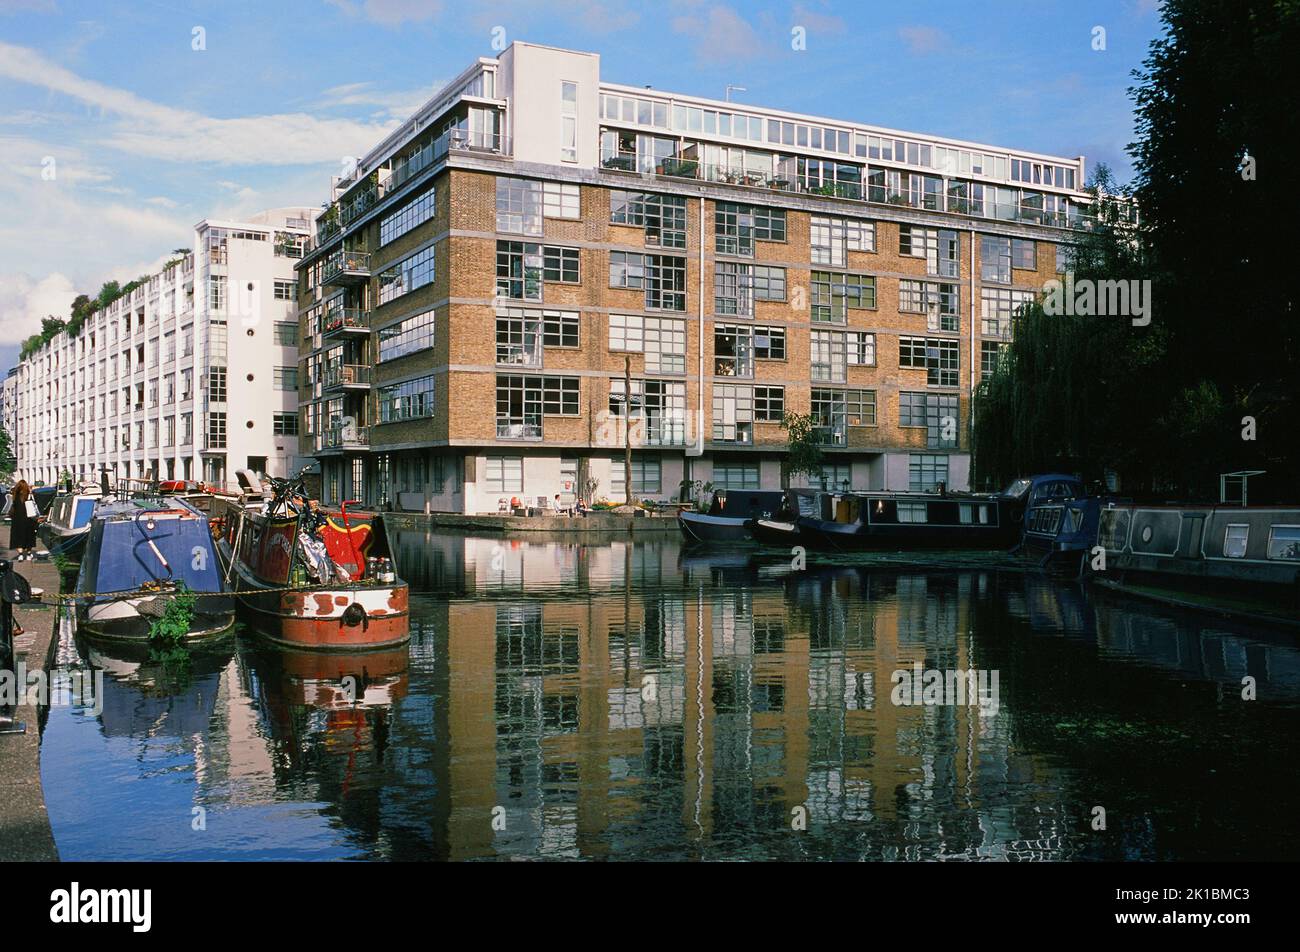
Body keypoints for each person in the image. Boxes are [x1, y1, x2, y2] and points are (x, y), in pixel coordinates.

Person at [8, 480, 38, 563]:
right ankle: (28, 555)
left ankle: (20, 555)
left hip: (17, 520)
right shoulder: (29, 495)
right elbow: (34, 504)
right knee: (29, 537)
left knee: (18, 537)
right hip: (28, 519)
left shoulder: (15, 496)